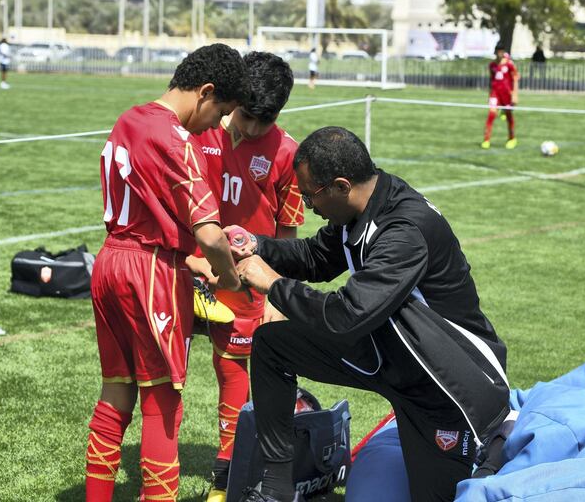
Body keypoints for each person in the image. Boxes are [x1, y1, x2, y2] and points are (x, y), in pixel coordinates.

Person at [228, 126, 514, 502]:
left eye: (310, 196)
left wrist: (274, 285)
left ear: (341, 186)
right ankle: (275, 488)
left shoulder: (404, 230)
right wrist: (257, 244)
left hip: (447, 384)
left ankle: (494, 442)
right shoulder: (364, 206)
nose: (309, 208)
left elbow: (347, 315)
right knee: (272, 345)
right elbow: (316, 257)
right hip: (389, 354)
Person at [84, 43, 250, 502]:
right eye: (222, 112)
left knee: (116, 391)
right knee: (162, 404)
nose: (218, 124)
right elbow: (212, 235)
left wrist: (191, 261)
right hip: (150, 272)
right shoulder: (176, 137)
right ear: (206, 92)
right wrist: (230, 280)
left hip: (110, 262)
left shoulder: (130, 118)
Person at [190, 51, 304, 502]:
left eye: (265, 120)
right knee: (167, 369)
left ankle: (227, 471)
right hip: (191, 268)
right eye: (246, 115)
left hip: (244, 281)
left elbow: (290, 235)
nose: (252, 128)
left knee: (232, 368)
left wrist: (275, 297)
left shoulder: (287, 154)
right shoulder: (201, 130)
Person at [482, 44, 518, 150]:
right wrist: (490, 94)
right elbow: (491, 80)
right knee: (491, 115)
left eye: (501, 51)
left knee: (509, 116)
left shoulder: (509, 64)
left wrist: (515, 95)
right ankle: (486, 139)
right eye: (498, 51)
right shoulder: (492, 65)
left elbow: (515, 78)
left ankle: (512, 138)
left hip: (506, 94)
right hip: (495, 94)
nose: (499, 54)